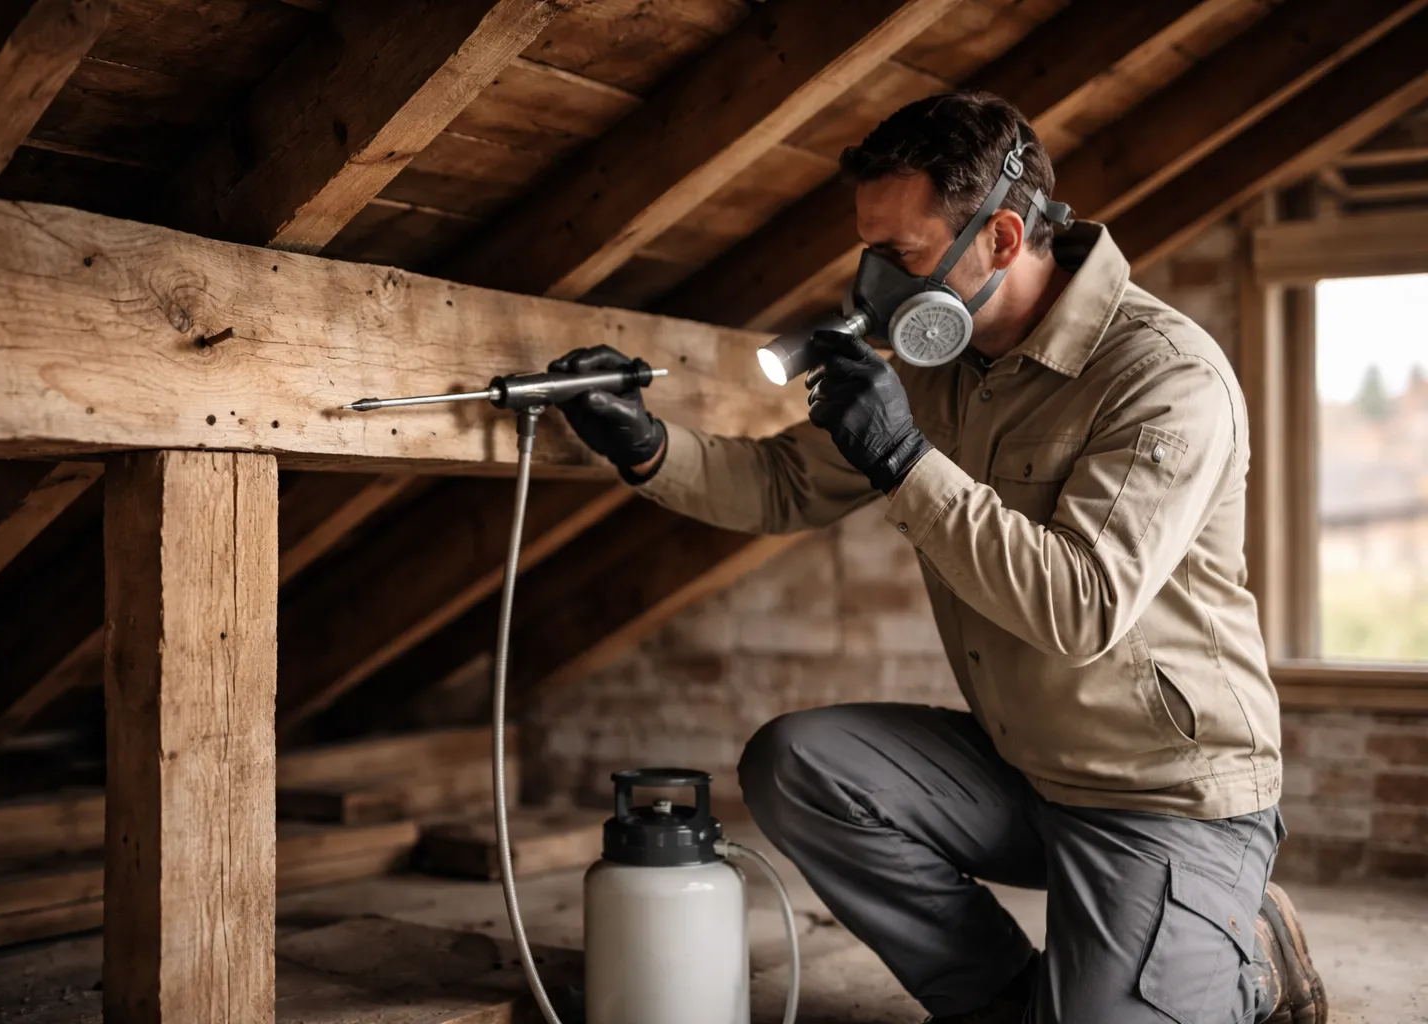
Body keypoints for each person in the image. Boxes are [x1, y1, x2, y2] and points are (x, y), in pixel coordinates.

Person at [547, 92, 1326, 1023]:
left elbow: (1082, 604)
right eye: (869, 251)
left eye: (903, 255)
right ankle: (1004, 997)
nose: (873, 284)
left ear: (1002, 236)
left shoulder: (1163, 375)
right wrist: (645, 447)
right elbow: (784, 484)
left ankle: (1247, 955)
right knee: (798, 765)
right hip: (1025, 768)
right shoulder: (938, 369)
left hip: (1164, 795)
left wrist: (904, 459)